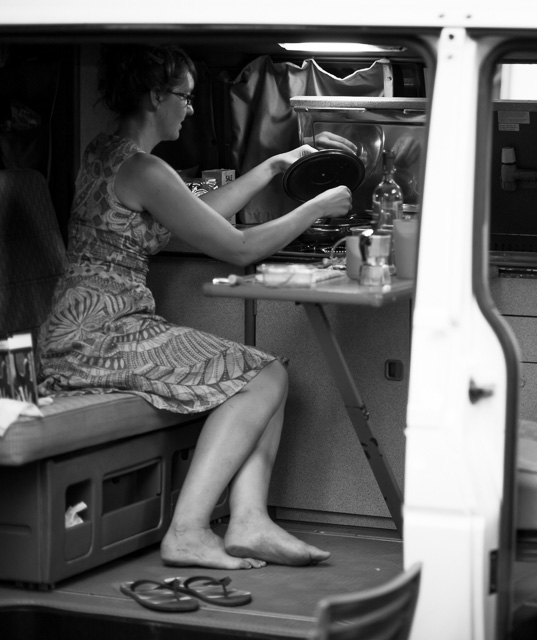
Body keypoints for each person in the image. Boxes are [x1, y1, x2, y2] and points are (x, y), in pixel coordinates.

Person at [38, 43, 353, 570]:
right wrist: (317, 207)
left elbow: (197, 212)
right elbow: (239, 247)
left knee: (267, 377)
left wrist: (275, 166)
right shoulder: (145, 169)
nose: (188, 108)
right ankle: (187, 531)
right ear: (155, 96)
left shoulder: (107, 152)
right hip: (99, 337)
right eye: (183, 97)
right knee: (265, 378)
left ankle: (249, 522)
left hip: (85, 328)